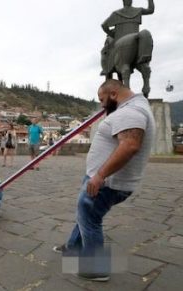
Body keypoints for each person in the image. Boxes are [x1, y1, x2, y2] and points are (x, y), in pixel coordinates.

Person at [53, 79, 155, 282]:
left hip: (107, 182)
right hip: (104, 179)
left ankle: (95, 269)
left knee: (90, 218)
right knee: (85, 213)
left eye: (102, 99)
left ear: (114, 94)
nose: (101, 104)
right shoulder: (134, 107)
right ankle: (73, 248)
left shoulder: (130, 112)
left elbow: (130, 145)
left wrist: (100, 176)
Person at [100, 0, 154, 74]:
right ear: (131, 1)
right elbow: (151, 10)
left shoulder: (116, 14)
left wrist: (113, 35)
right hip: (137, 39)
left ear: (123, 2)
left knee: (104, 51)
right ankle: (146, 84)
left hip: (119, 40)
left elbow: (104, 25)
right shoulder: (138, 11)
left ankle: (105, 70)